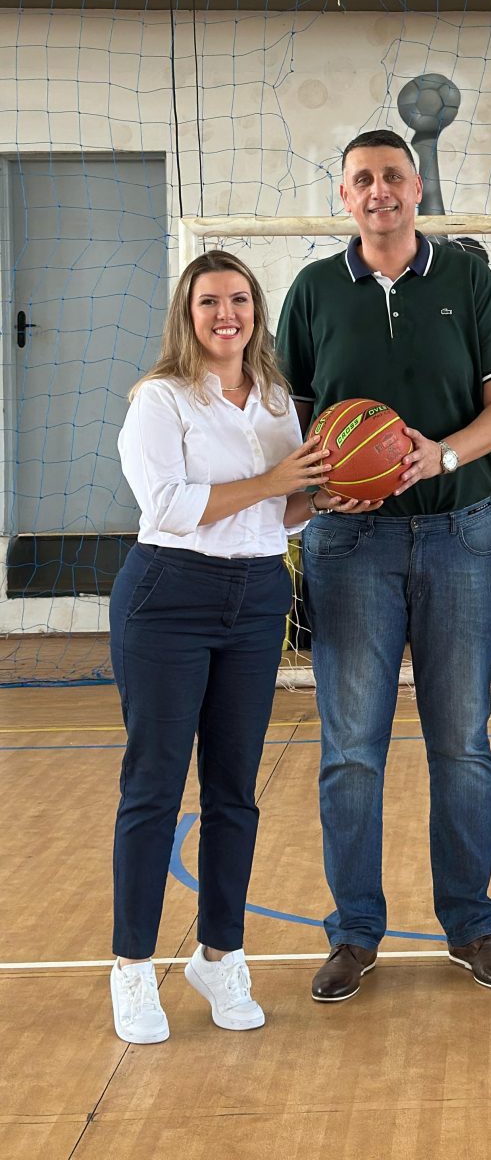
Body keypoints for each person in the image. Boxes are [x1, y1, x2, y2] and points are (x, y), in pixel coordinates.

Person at [275, 129, 491, 999]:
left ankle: (471, 926)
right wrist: (316, 488)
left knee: (462, 744)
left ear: (417, 189)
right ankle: (353, 933)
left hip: (458, 534)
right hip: (349, 546)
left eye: (393, 176)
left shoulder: (467, 278)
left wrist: (440, 456)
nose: (379, 190)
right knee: (351, 749)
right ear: (344, 196)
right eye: (363, 179)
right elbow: (289, 421)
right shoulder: (313, 290)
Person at [108, 250, 331, 1044]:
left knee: (235, 790)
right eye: (209, 301)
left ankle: (220, 955)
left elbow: (283, 513)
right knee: (155, 786)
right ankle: (132, 968)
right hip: (168, 596)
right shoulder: (159, 399)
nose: (226, 313)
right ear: (187, 312)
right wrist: (277, 482)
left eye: (239, 299)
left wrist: (330, 493)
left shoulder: (272, 398)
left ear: (256, 311)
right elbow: (169, 506)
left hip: (258, 593)